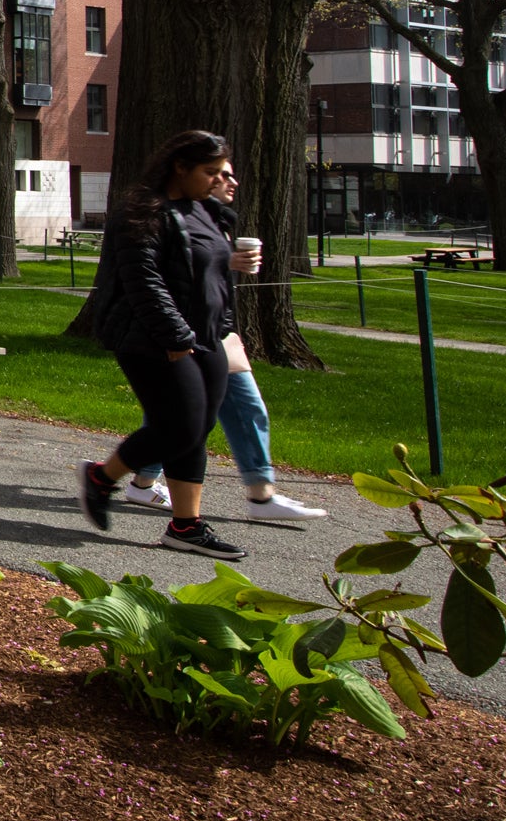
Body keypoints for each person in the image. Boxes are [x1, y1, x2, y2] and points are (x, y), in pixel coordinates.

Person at [76, 130, 253, 560]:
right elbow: (144, 282)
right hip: (154, 339)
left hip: (208, 336)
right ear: (180, 167)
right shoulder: (144, 211)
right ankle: (103, 477)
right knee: (182, 426)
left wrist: (232, 275)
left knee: (197, 430)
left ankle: (185, 526)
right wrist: (175, 338)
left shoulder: (207, 212)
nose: (216, 180)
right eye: (208, 171)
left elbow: (207, 274)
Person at [115, 163, 326, 520]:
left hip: (217, 331)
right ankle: (253, 497)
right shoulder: (168, 217)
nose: (230, 181)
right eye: (219, 174)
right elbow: (164, 274)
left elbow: (210, 284)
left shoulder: (217, 218)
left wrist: (229, 320)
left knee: (196, 415)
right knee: (199, 416)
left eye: (228, 174)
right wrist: (225, 261)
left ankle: (145, 480)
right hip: (184, 333)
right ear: (190, 176)